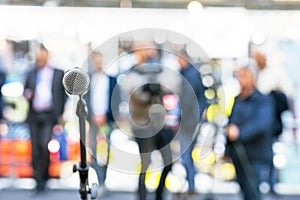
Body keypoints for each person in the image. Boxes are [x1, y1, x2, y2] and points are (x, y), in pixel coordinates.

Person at [119, 41, 181, 200]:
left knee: (169, 162)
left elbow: (171, 85)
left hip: (161, 124)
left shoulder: (157, 68)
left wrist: (159, 87)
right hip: (142, 125)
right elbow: (134, 95)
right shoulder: (131, 73)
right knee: (145, 164)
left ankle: (159, 194)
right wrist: (145, 89)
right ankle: (142, 195)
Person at [226, 66, 275, 200]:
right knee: (244, 188)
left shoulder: (263, 100)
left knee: (253, 190)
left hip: (256, 153)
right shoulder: (237, 99)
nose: (240, 80)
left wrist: (240, 132)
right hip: (238, 152)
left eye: (243, 77)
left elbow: (262, 124)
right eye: (239, 77)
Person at [24, 47, 67, 192]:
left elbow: (62, 95)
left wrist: (60, 114)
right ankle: (37, 180)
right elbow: (26, 90)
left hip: (49, 115)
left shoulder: (57, 73)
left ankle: (45, 176)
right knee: (35, 148)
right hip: (34, 115)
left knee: (44, 145)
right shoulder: (31, 73)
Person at [253, 50, 296, 193]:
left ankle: (270, 182)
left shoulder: (275, 74)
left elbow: (288, 94)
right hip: (259, 118)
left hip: (270, 119)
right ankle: (262, 182)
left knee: (268, 151)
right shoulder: (257, 73)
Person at [84, 51, 121, 195]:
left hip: (106, 121)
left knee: (105, 151)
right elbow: (85, 100)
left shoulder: (111, 80)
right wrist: (91, 116)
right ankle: (97, 179)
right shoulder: (89, 80)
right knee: (93, 150)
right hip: (93, 122)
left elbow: (116, 99)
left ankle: (103, 181)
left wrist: (107, 116)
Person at [176, 52, 207, 195]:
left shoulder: (190, 75)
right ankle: (190, 184)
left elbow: (188, 101)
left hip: (189, 122)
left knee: (185, 153)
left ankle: (191, 185)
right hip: (191, 120)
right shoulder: (188, 73)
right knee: (186, 154)